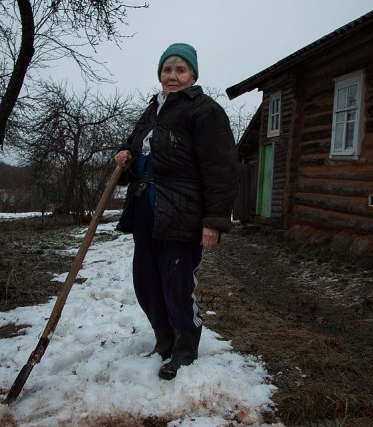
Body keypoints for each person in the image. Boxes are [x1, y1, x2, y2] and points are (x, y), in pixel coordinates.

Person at [114, 43, 237, 380]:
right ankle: (164, 339)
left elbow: (221, 169)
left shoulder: (205, 111)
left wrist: (213, 221)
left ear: (193, 75)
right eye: (167, 70)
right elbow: (136, 146)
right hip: (145, 208)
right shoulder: (152, 110)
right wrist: (125, 157)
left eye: (180, 70)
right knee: (147, 279)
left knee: (177, 281)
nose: (172, 76)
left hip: (183, 211)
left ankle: (185, 344)